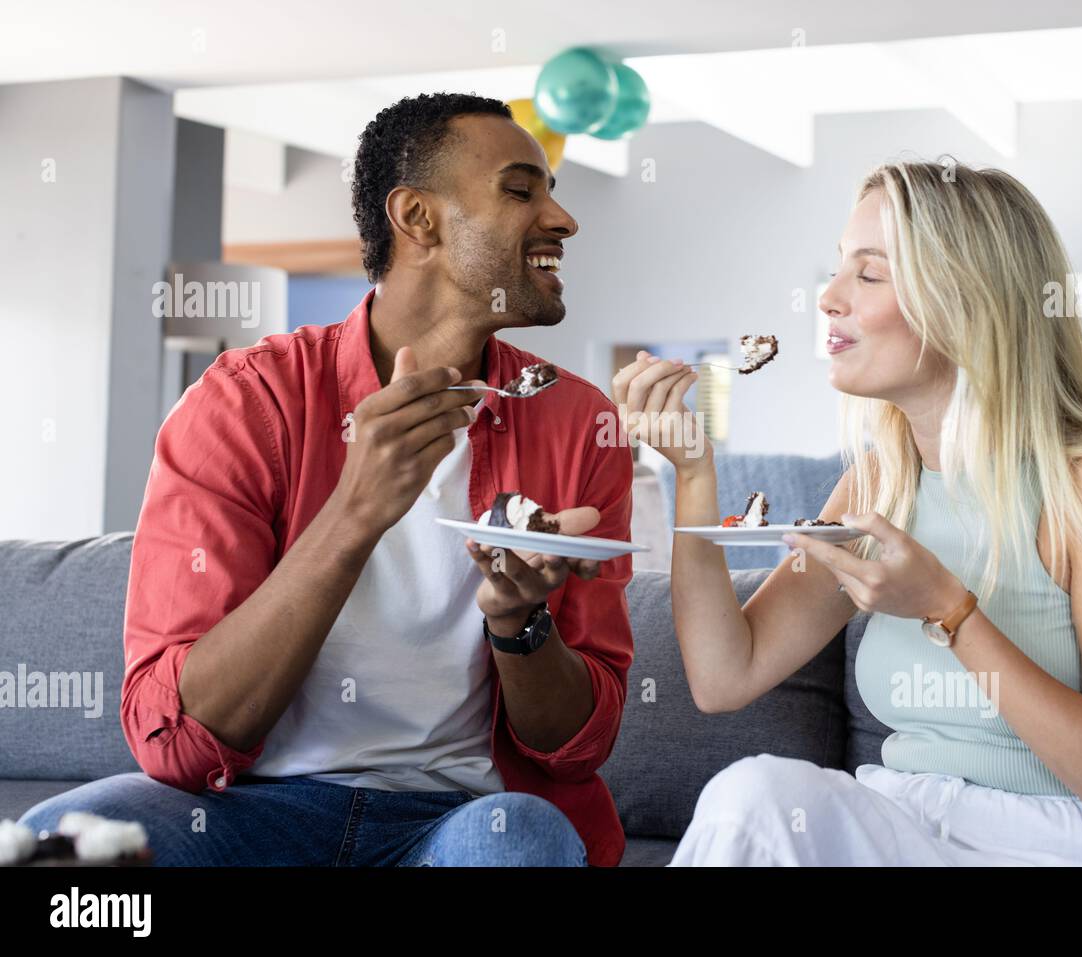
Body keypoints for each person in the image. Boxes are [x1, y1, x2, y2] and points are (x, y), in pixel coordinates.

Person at [20, 93, 634, 867]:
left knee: (522, 842)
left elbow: (579, 747)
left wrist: (520, 620)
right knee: (62, 843)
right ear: (418, 218)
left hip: (461, 815)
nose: (561, 219)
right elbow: (170, 736)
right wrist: (355, 512)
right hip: (247, 812)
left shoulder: (580, 423)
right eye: (522, 190)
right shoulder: (245, 402)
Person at [613, 158, 1082, 866]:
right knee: (754, 799)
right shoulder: (880, 486)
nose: (828, 298)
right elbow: (723, 675)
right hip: (905, 825)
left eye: (869, 274)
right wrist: (692, 473)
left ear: (968, 301)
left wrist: (947, 609)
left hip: (1062, 845)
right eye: (838, 268)